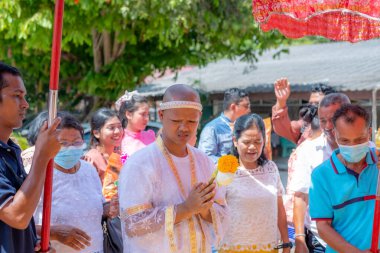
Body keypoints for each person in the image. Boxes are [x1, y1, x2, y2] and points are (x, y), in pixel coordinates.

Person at [119, 84, 228, 253]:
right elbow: (133, 224)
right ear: (162, 115)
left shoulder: (204, 162)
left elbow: (223, 213)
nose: (184, 128)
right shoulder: (139, 164)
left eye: (191, 121)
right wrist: (186, 208)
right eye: (177, 121)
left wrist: (205, 209)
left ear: (199, 117)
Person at [0, 62, 61, 252]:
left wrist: (32, 242)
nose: (25, 104)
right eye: (17, 96)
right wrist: (41, 156)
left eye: (24, 97)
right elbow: (17, 216)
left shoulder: (11, 151)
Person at [34, 113, 114, 252]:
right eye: (63, 143)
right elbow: (20, 224)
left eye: (76, 142)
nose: (70, 148)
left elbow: (98, 206)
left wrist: (110, 208)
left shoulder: (89, 170)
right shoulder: (37, 174)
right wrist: (53, 232)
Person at [218, 114, 291, 253]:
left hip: (269, 248)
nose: (252, 147)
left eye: (258, 141)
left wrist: (286, 243)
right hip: (233, 248)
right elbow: (214, 211)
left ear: (264, 140)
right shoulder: (225, 171)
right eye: (246, 142)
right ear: (235, 141)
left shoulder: (271, 168)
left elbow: (280, 209)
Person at [310, 104, 377, 253]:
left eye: (360, 140)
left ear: (369, 133)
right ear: (335, 134)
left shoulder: (378, 164)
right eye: (345, 141)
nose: (353, 146)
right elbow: (323, 226)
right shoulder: (321, 176)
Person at [290, 93, 350, 253]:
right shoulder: (308, 151)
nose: (328, 126)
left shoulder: (369, 151)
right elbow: (301, 196)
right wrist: (300, 239)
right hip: (320, 243)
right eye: (323, 121)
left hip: (358, 239)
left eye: (334, 119)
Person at [272, 78, 335, 145]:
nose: (313, 107)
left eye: (317, 104)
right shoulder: (304, 126)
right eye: (311, 103)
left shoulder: (339, 128)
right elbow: (283, 128)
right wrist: (281, 101)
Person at [199, 88, 250, 163]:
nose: (249, 110)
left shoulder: (247, 126)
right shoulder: (212, 128)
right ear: (233, 107)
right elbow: (204, 157)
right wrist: (229, 163)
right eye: (246, 106)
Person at [84, 108, 124, 185]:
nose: (118, 131)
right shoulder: (90, 159)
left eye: (119, 126)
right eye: (111, 128)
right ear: (96, 133)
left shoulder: (122, 156)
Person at [116, 90, 156, 157]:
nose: (147, 118)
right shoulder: (119, 141)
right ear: (129, 114)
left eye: (147, 114)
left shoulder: (150, 137)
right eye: (143, 114)